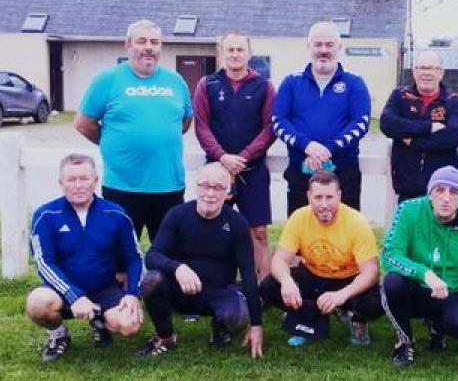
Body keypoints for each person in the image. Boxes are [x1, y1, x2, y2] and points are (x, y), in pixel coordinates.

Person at [74, 19, 193, 242]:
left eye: (155, 42)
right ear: (127, 45)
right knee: (120, 259)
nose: (149, 47)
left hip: (169, 187)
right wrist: (113, 142)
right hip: (122, 188)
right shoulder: (107, 80)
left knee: (169, 258)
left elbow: (185, 121)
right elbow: (83, 123)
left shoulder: (176, 81)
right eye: (141, 41)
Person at [136, 163, 263, 358]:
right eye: (205, 185)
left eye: (218, 187)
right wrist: (177, 268)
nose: (210, 193)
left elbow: (248, 272)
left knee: (238, 316)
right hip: (178, 290)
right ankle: (166, 336)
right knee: (152, 280)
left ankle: (219, 331)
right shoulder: (177, 215)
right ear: (196, 187)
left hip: (217, 291)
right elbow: (152, 256)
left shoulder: (237, 223)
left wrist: (256, 325)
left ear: (228, 193)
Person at [26, 154, 143, 362]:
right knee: (38, 303)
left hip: (105, 289)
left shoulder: (116, 214)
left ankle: (100, 320)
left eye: (84, 179)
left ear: (95, 181)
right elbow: (44, 263)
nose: (78, 185)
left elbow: (134, 258)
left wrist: (133, 293)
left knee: (130, 324)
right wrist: (74, 296)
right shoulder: (45, 215)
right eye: (71, 180)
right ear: (61, 183)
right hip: (62, 291)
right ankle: (59, 334)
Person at [259, 170, 383, 347]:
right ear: (309, 196)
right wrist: (287, 282)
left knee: (376, 301)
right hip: (313, 274)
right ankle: (303, 315)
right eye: (318, 197)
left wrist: (342, 294)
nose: (324, 204)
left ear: (339, 195)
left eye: (329, 197)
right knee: (269, 286)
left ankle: (357, 320)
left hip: (347, 278)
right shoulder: (299, 217)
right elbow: (279, 260)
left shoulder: (357, 222)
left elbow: (371, 272)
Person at [381, 166, 458, 368]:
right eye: (439, 190)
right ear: (430, 194)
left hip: (450, 292)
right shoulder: (408, 210)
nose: (446, 198)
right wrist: (425, 274)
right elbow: (389, 254)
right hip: (414, 287)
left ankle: (437, 327)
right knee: (392, 282)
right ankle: (404, 341)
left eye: (453, 192)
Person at [193, 31, 276, 278]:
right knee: (212, 228)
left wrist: (245, 157)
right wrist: (222, 158)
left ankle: (266, 290)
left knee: (258, 232)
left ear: (249, 53)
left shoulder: (264, 86)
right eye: (230, 49)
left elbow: (270, 128)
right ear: (222, 53)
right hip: (217, 172)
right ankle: (212, 284)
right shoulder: (207, 84)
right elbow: (201, 126)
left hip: (252, 171)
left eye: (240, 49)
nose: (235, 54)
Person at [272, 21, 371, 215]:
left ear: (339, 47)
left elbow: (361, 123)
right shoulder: (291, 82)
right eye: (318, 45)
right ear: (309, 47)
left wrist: (327, 150)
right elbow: (279, 121)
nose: (323, 50)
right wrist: (308, 146)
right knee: (301, 233)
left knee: (346, 234)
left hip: (344, 174)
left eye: (329, 44)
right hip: (301, 172)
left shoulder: (354, 82)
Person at [380, 50, 458, 203]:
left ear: (441, 73)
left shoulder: (454, 101)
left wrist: (413, 141)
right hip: (406, 188)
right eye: (422, 68)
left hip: (440, 190)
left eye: (431, 68)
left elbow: (453, 137)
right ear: (414, 72)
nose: (426, 73)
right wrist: (428, 128)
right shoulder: (400, 96)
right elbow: (387, 124)